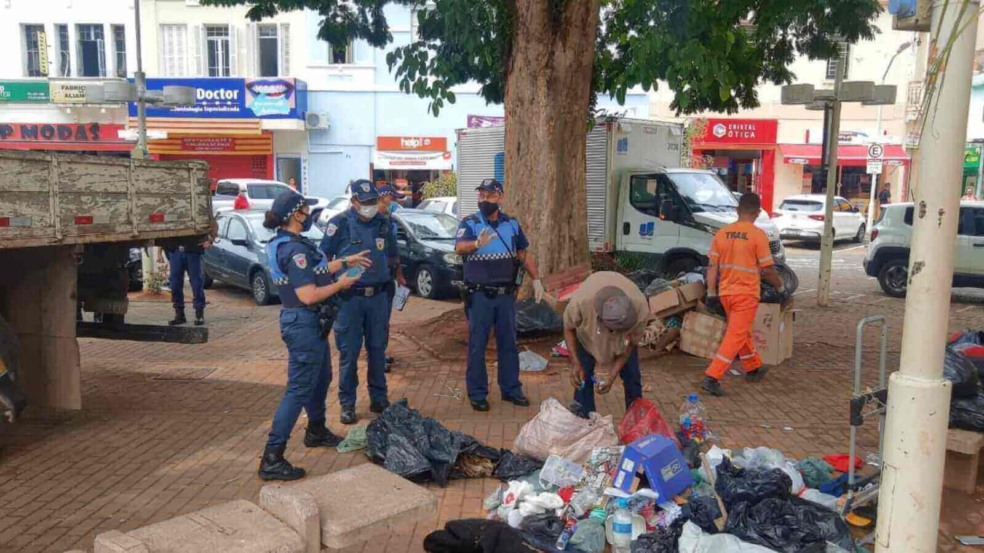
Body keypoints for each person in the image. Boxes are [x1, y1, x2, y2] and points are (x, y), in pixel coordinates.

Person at [258, 191, 369, 481]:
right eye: (306, 209)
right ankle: (272, 456)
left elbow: (316, 270)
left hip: (310, 324)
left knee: (321, 379)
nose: (309, 213)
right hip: (304, 322)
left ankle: (316, 430)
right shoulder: (293, 250)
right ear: (296, 214)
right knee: (298, 390)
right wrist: (341, 285)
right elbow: (308, 294)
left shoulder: (289, 244)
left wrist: (344, 261)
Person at [455, 179, 544, 412]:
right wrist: (476, 243)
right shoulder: (470, 222)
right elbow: (459, 248)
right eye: (481, 196)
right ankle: (477, 393)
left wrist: (536, 279)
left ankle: (511, 389)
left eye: (490, 196)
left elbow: (522, 253)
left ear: (501, 198)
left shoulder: (512, 224)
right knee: (477, 345)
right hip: (480, 296)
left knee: (508, 344)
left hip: (506, 296)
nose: (484, 200)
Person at [320, 179, 398, 425]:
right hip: (349, 300)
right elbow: (324, 259)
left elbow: (393, 254)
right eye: (364, 202)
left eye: (373, 201)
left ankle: (379, 398)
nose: (370, 206)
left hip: (378, 297)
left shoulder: (384, 223)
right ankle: (347, 404)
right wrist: (336, 279)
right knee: (349, 353)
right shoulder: (339, 224)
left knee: (377, 350)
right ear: (353, 202)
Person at [701, 193, 784, 397]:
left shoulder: (722, 233)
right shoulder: (757, 235)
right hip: (746, 294)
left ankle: (753, 366)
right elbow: (768, 269)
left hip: (726, 293)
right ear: (757, 212)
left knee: (740, 331)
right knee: (735, 335)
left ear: (738, 210)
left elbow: (712, 266)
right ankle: (712, 376)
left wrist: (711, 293)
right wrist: (780, 287)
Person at [564, 272, 649, 418]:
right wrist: (575, 363)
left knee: (632, 376)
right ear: (601, 320)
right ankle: (583, 415)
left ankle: (636, 419)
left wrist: (612, 375)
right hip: (587, 334)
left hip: (624, 330)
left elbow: (630, 346)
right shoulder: (581, 303)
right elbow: (568, 328)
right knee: (582, 374)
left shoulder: (640, 309)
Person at [377, 184, 408, 371]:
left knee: (385, 320)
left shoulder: (389, 221)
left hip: (388, 277)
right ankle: (377, 356)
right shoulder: (373, 222)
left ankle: (381, 352)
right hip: (376, 278)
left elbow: (394, 251)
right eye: (392, 199)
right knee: (378, 320)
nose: (394, 203)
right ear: (383, 197)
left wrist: (400, 275)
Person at [165, 228, 213, 326]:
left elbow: (209, 225)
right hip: (175, 250)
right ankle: (179, 314)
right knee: (175, 284)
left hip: (192, 250)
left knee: (196, 283)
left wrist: (209, 239)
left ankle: (199, 313)